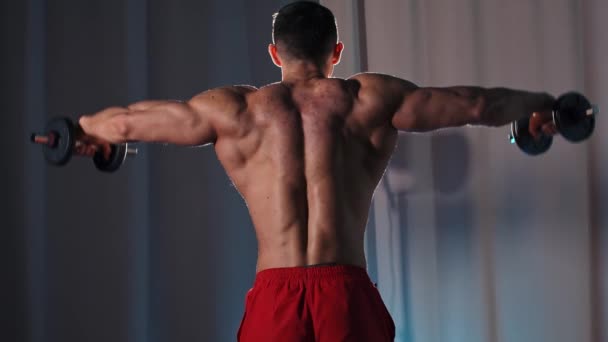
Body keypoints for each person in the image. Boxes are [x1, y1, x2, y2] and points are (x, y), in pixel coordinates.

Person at [76, 1, 557, 341]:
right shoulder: (369, 100)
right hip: (345, 295)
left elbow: (123, 123)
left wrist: (84, 129)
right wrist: (542, 107)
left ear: (274, 54)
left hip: (274, 299)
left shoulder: (235, 110)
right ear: (336, 52)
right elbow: (474, 103)